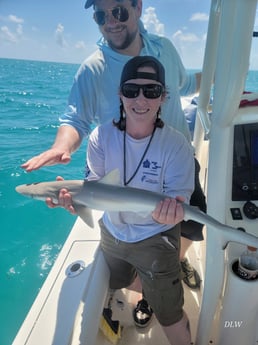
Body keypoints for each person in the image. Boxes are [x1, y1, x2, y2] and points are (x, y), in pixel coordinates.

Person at [21, 0, 206, 327]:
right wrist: (61, 147)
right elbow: (76, 120)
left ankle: (170, 268)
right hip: (128, 177)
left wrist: (225, 77)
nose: (111, 21)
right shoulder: (93, 68)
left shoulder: (164, 48)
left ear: (138, 7)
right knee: (132, 238)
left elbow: (187, 85)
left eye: (118, 11)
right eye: (101, 15)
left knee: (192, 223)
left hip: (176, 162)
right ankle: (153, 286)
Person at [54, 55, 194, 345]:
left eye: (151, 91)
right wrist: (75, 201)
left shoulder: (177, 144)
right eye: (131, 90)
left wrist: (173, 215)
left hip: (156, 235)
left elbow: (178, 202)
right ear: (120, 94)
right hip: (113, 232)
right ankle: (150, 290)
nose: (140, 98)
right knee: (117, 281)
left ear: (163, 97)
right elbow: (95, 188)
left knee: (170, 313)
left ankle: (163, 299)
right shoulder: (100, 137)